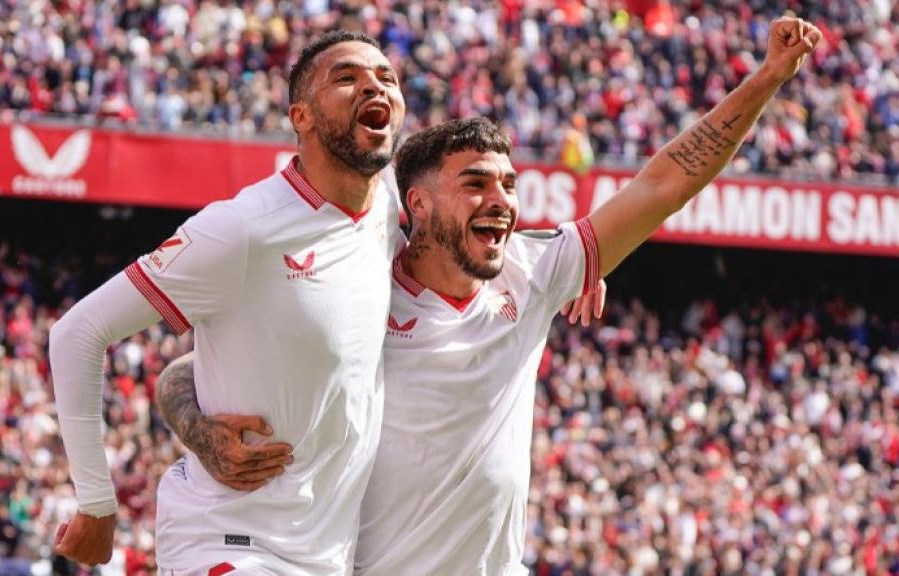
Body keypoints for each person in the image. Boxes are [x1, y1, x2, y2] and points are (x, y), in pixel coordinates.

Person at [156, 16, 822, 575]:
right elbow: (185, 372)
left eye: (508, 185)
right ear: (418, 205)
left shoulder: (533, 272)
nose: (500, 200)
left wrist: (766, 78)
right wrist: (198, 430)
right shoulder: (360, 285)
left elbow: (663, 186)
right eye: (475, 184)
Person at [49, 30, 409, 574]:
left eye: (386, 78)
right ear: (301, 117)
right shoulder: (241, 228)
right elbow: (77, 332)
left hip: (326, 554)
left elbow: (204, 366)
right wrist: (96, 504)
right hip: (230, 541)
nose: (373, 87)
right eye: (346, 77)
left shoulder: (385, 207)